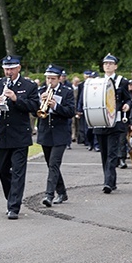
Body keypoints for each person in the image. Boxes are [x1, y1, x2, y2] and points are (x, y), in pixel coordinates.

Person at [0, 55, 39, 219]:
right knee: (3, 171)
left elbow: (34, 106)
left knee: (18, 171)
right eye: (6, 68)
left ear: (19, 68)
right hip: (2, 134)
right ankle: (11, 197)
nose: (9, 71)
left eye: (12, 68)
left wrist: (16, 99)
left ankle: (14, 207)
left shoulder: (28, 86)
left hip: (20, 135)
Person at [93, 53, 132, 193]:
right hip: (100, 121)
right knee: (104, 153)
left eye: (110, 63)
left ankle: (108, 182)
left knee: (112, 153)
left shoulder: (122, 81)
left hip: (115, 122)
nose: (107, 65)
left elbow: (129, 99)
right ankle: (111, 181)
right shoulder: (97, 82)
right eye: (105, 63)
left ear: (115, 66)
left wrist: (127, 105)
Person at [37, 64, 75, 206]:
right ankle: (62, 192)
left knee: (54, 163)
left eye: (53, 79)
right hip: (45, 133)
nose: (50, 82)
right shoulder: (41, 91)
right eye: (48, 79)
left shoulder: (67, 92)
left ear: (59, 79)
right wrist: (40, 102)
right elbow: (35, 111)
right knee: (51, 165)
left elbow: (71, 112)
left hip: (60, 133)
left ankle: (49, 195)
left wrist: (56, 107)